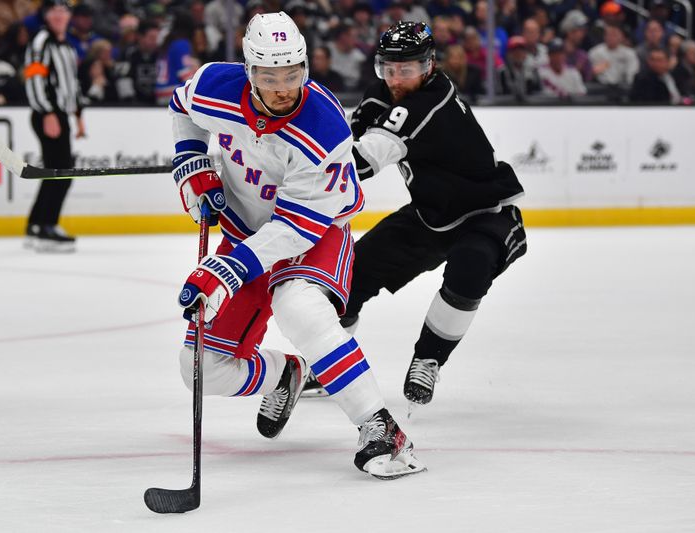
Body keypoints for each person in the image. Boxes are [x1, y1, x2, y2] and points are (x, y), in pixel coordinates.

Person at [168, 12, 425, 479]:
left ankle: (381, 428)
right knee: (199, 367)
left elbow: (296, 226)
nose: (283, 87)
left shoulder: (323, 128)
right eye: (270, 76)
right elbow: (181, 109)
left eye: (292, 74)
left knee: (299, 309)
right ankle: (285, 373)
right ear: (249, 72)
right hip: (245, 231)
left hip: (313, 232)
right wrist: (190, 160)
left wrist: (227, 270)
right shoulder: (213, 86)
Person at [318, 21, 527, 411]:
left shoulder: (430, 100)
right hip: (431, 214)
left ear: (429, 66)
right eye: (389, 69)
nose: (397, 79)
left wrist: (292, 167)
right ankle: (325, 358)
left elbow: (361, 162)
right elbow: (345, 143)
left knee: (471, 266)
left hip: (486, 213)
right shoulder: (382, 95)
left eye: (408, 69)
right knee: (349, 277)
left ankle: (429, 358)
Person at [23, 0, 85, 252]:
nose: (59, 15)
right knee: (60, 173)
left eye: (64, 10)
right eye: (54, 11)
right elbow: (34, 78)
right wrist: (47, 111)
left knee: (56, 172)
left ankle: (38, 224)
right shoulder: (41, 42)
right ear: (46, 16)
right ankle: (46, 226)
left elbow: (72, 84)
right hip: (48, 113)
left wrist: (78, 115)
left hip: (60, 114)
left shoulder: (68, 46)